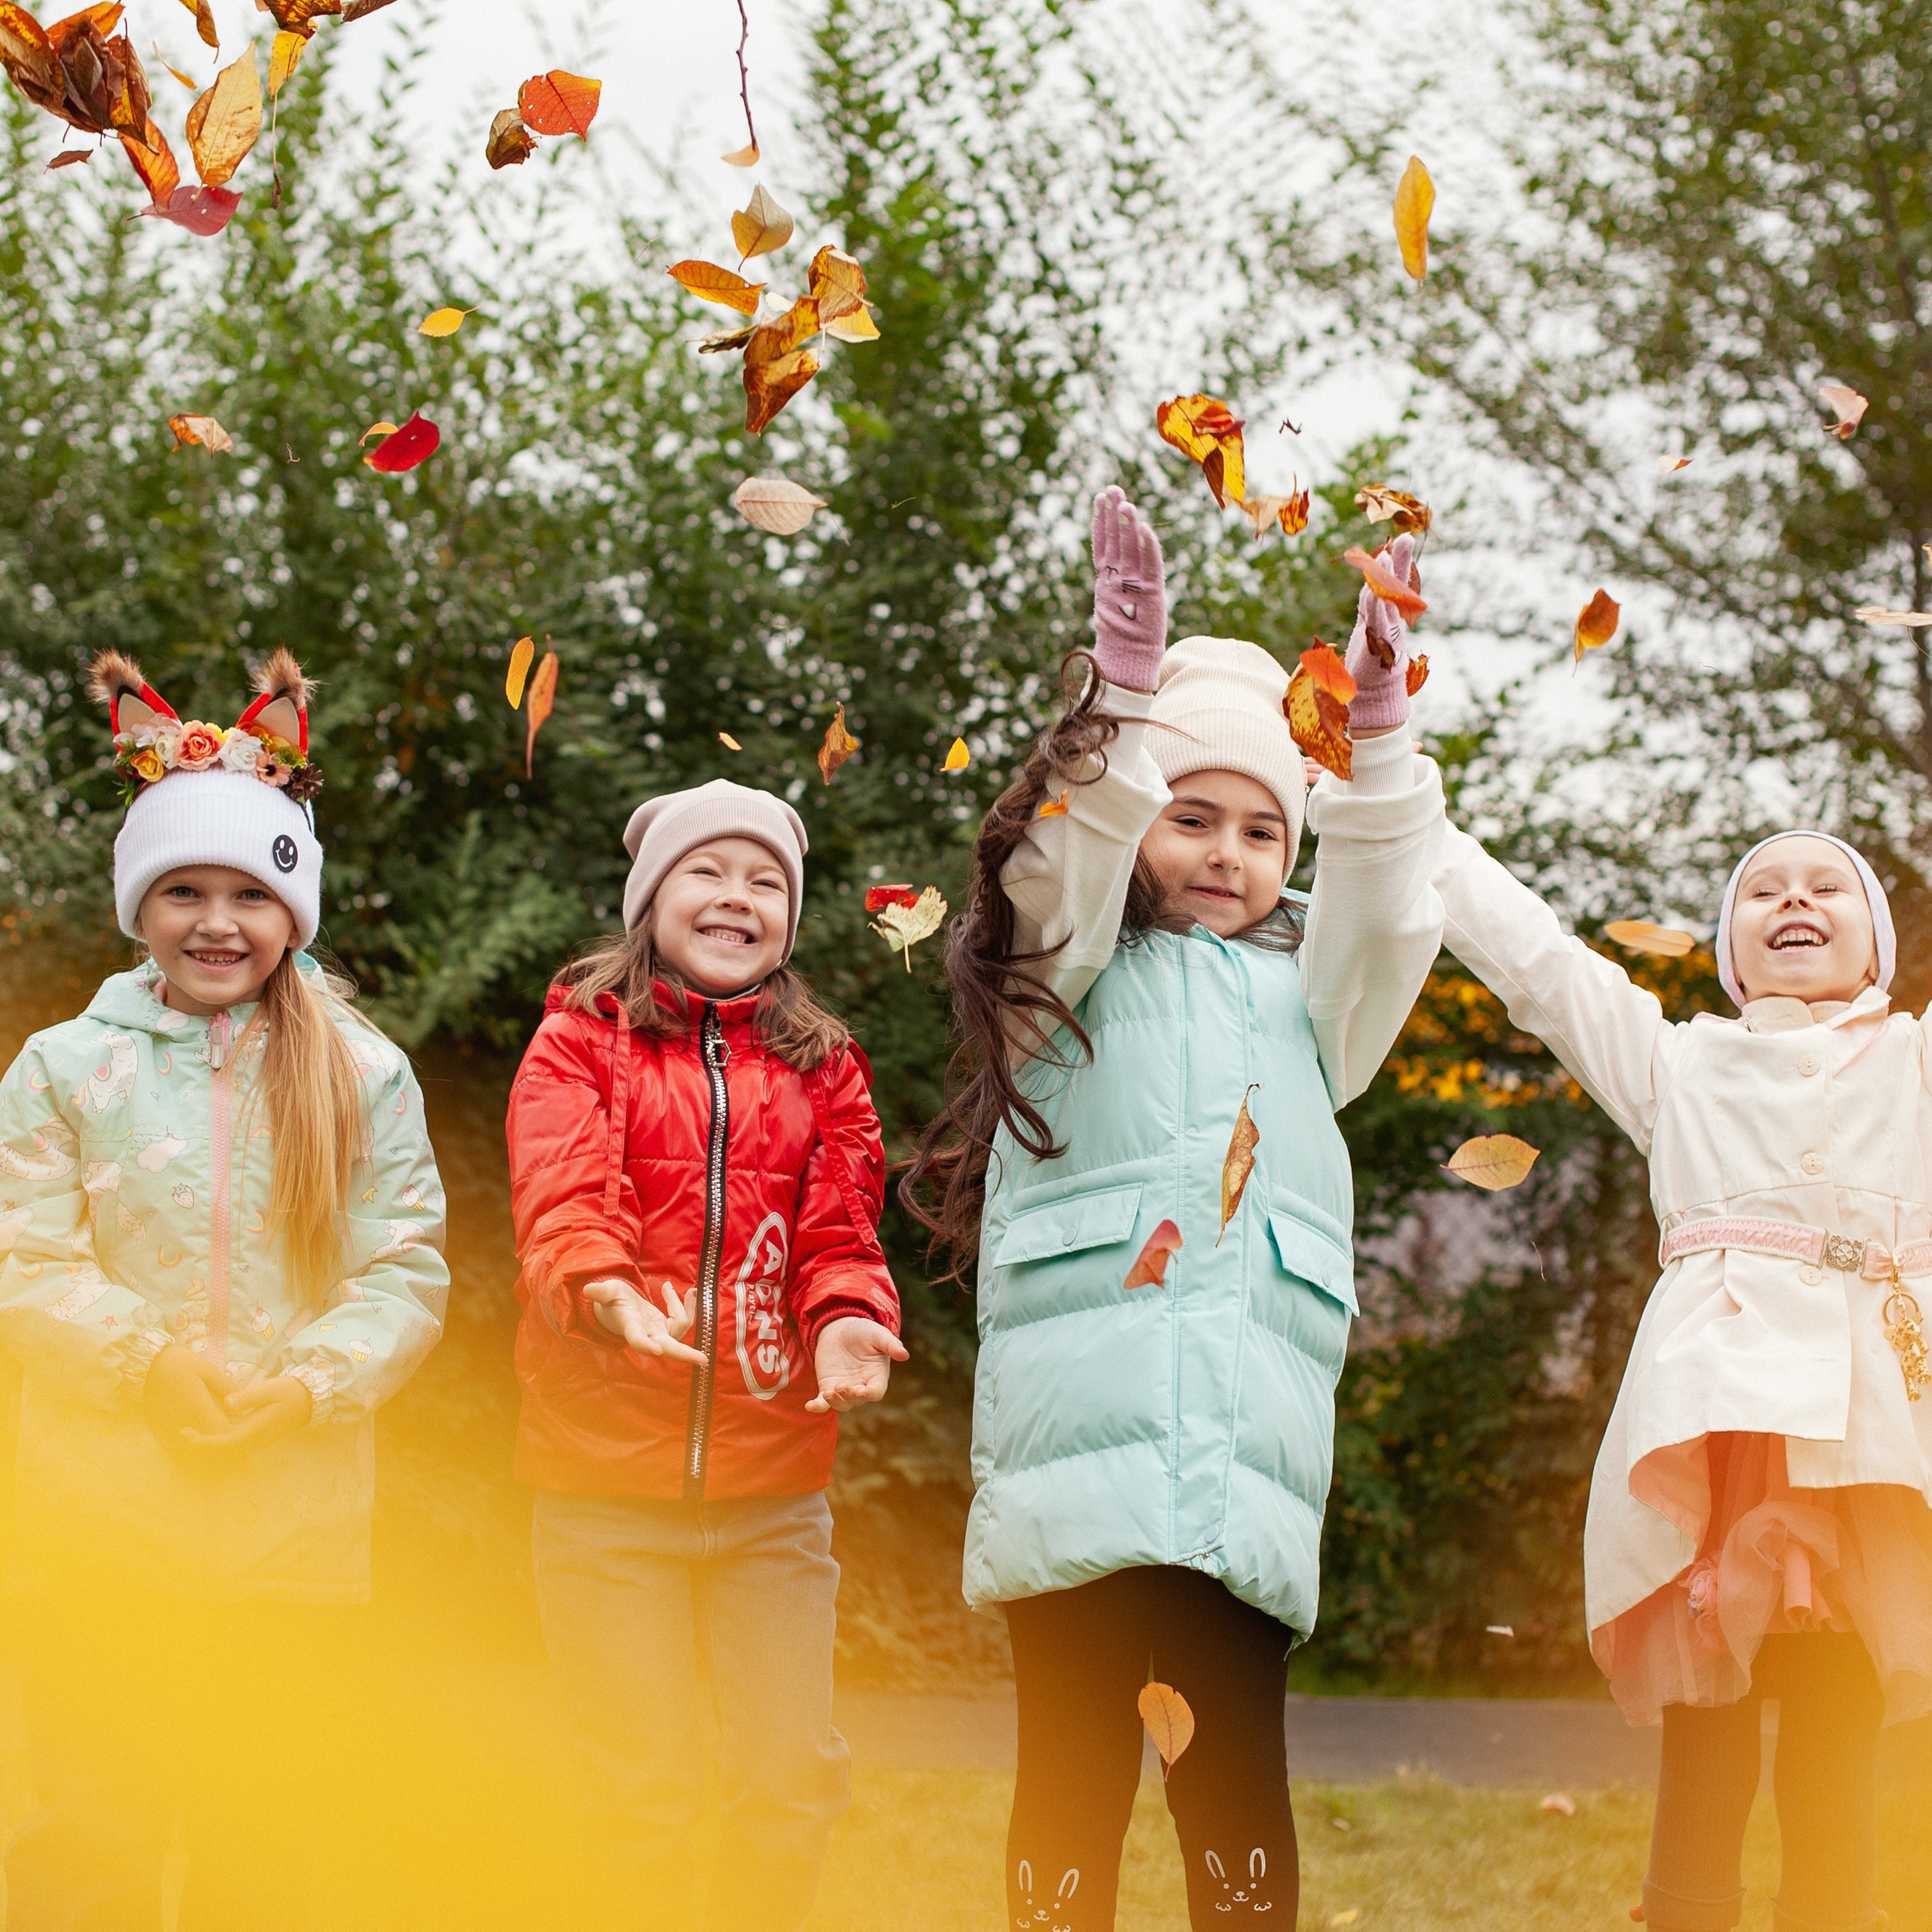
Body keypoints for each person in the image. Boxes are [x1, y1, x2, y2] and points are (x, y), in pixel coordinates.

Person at [901, 488, 1447, 1930]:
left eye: (1262, 830)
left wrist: (1378, 741)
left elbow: (1389, 916)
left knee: (1235, 1797)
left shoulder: (1313, 1009)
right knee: (1069, 1787)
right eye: (1190, 816)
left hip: (1239, 1465)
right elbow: (1053, 868)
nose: (1224, 851)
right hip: (1082, 1455)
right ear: (1144, 824)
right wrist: (1117, 711)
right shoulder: (1065, 975)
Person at [0, 650, 450, 1930]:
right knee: (92, 1835)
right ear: (138, 905)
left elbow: (406, 1269)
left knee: (268, 1847)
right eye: (183, 888)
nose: (217, 920)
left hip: (288, 1537)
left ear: (293, 911)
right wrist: (145, 1362)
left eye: (251, 891)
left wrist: (309, 1388)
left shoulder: (362, 1075)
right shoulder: (61, 1066)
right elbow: (20, 1253)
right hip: (98, 1532)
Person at [1431, 823, 1932, 1932]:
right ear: (1731, 953)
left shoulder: (1915, 1063)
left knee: (1831, 1772)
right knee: (1705, 1768)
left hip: (1862, 1463)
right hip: (1717, 1466)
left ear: (1877, 950)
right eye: (1761, 890)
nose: (1793, 900)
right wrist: (1394, 794)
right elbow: (1542, 970)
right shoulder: (1680, 1065)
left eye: (1826, 889)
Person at [506, 778, 906, 1931]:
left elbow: (840, 1228)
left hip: (773, 1491)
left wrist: (845, 1322)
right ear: (651, 900)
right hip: (599, 1487)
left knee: (787, 1779)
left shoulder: (824, 1064)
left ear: (791, 916)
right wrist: (606, 1292)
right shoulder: (583, 1039)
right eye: (708, 872)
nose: (738, 896)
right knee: (639, 1785)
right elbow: (562, 1192)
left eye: (766, 881)